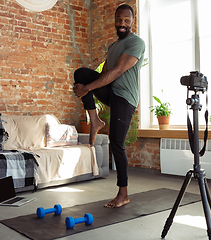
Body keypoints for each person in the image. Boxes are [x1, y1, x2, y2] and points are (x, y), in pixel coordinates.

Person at [73, 4, 145, 208]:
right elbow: (105, 72)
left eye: (126, 20)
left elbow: (118, 71)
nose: (122, 23)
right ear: (115, 20)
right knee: (81, 74)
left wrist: (86, 89)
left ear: (132, 21)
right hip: (111, 92)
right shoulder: (112, 47)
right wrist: (86, 85)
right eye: (119, 19)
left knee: (116, 143)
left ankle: (123, 194)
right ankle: (95, 120)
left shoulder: (136, 42)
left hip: (125, 98)